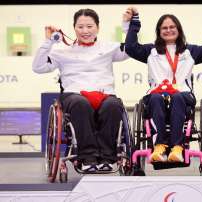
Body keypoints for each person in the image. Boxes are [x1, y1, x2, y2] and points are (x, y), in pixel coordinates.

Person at [32, 8, 129, 172]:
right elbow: (38, 67)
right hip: (74, 95)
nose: (85, 31)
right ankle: (87, 157)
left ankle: (107, 157)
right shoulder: (61, 50)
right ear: (74, 28)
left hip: (104, 95)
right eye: (80, 27)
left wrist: (127, 25)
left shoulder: (109, 47)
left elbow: (130, 50)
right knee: (80, 104)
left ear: (98, 27)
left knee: (113, 106)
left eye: (89, 26)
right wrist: (48, 42)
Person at [124, 6, 202, 163]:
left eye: (172, 27)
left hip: (182, 95)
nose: (168, 30)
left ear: (179, 30)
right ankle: (160, 145)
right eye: (164, 28)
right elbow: (130, 47)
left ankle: (177, 147)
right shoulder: (151, 51)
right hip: (157, 95)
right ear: (159, 31)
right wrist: (134, 22)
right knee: (155, 98)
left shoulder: (190, 51)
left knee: (177, 97)